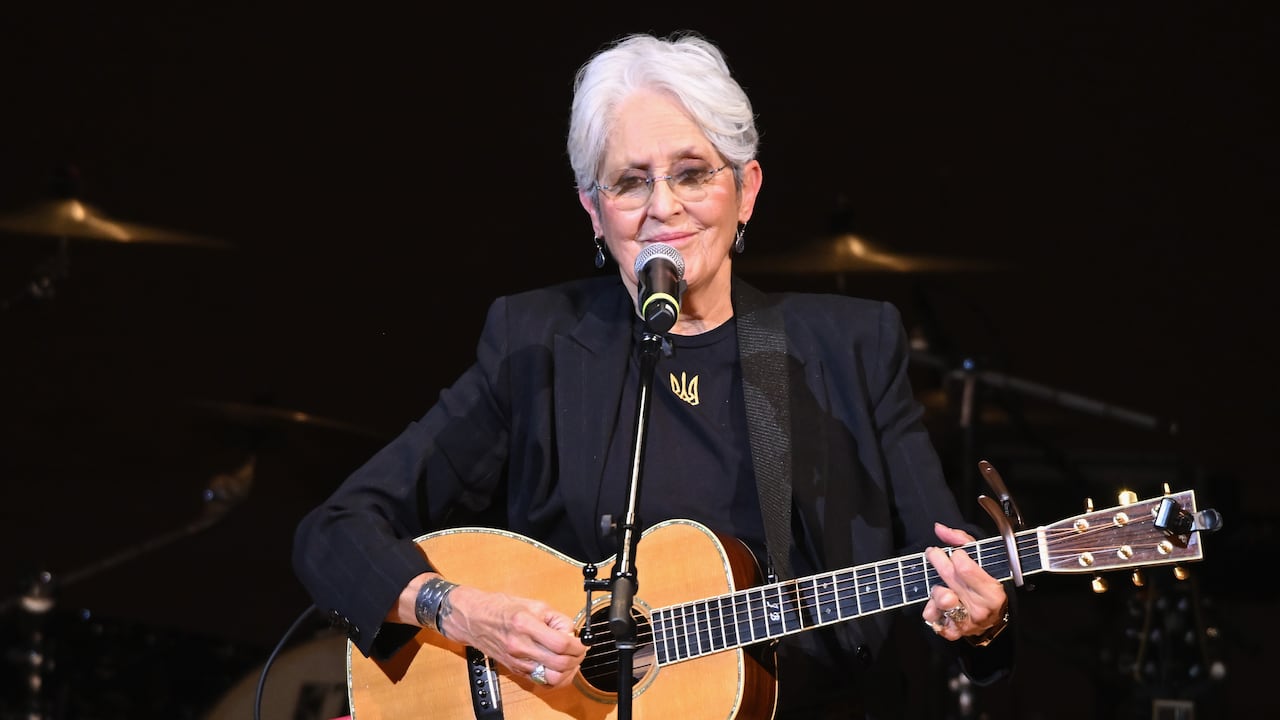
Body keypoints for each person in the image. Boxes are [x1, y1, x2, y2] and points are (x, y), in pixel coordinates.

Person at [293, 30, 1015, 719]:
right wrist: (462, 611)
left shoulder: (849, 346)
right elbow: (334, 532)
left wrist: (981, 620)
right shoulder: (537, 344)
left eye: (693, 173)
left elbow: (956, 574)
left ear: (747, 189)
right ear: (593, 211)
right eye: (631, 183)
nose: (663, 207)